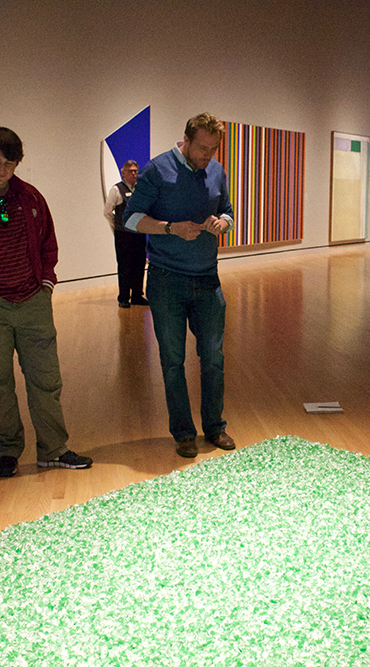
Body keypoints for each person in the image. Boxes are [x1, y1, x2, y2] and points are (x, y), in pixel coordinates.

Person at [0, 127, 92, 478]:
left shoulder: (31, 197)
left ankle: (53, 449)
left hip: (32, 302)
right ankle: (8, 451)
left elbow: (47, 243)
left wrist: (46, 282)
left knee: (47, 379)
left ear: (17, 164)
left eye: (9, 163)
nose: (0, 169)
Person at [122, 112, 236, 458]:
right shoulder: (156, 169)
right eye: (202, 148)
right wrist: (170, 227)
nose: (207, 156)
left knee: (213, 358)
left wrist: (223, 222)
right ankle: (184, 432)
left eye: (214, 149)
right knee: (172, 360)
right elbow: (130, 219)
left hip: (207, 278)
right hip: (167, 279)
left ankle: (215, 427)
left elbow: (229, 211)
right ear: (185, 140)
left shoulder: (217, 171)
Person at [103, 160, 149, 308]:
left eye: (136, 170)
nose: (134, 173)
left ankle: (137, 295)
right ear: (123, 173)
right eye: (130, 171)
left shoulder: (141, 189)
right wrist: (116, 227)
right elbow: (108, 213)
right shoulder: (116, 190)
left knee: (139, 264)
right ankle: (123, 297)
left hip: (139, 233)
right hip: (124, 235)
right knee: (125, 266)